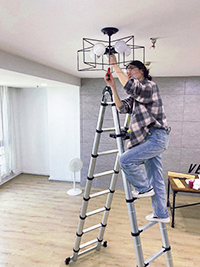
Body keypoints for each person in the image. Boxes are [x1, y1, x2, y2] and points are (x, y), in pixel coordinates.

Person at [104, 55, 170, 223]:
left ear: (142, 71)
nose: (128, 72)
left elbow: (131, 86)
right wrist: (112, 87)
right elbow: (121, 108)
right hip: (150, 139)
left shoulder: (149, 86)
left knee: (125, 160)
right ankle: (161, 214)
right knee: (156, 179)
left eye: (131, 69)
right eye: (127, 70)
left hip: (155, 137)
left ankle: (143, 188)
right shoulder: (137, 97)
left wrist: (114, 65)